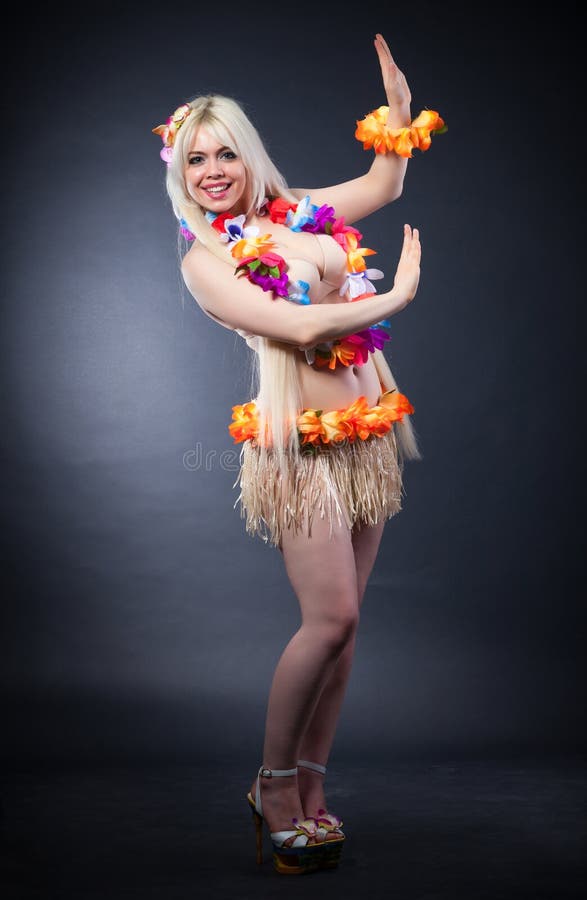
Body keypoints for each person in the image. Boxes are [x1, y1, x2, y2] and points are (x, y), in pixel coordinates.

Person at [152, 33, 444, 875]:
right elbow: (308, 326)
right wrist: (395, 296)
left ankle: (311, 785)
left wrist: (394, 115)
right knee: (332, 618)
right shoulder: (207, 264)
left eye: (225, 153)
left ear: (248, 158)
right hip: (296, 448)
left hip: (363, 437)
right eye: (195, 158)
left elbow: (383, 184)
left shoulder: (299, 211)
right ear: (181, 172)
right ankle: (271, 785)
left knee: (347, 633)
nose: (211, 170)